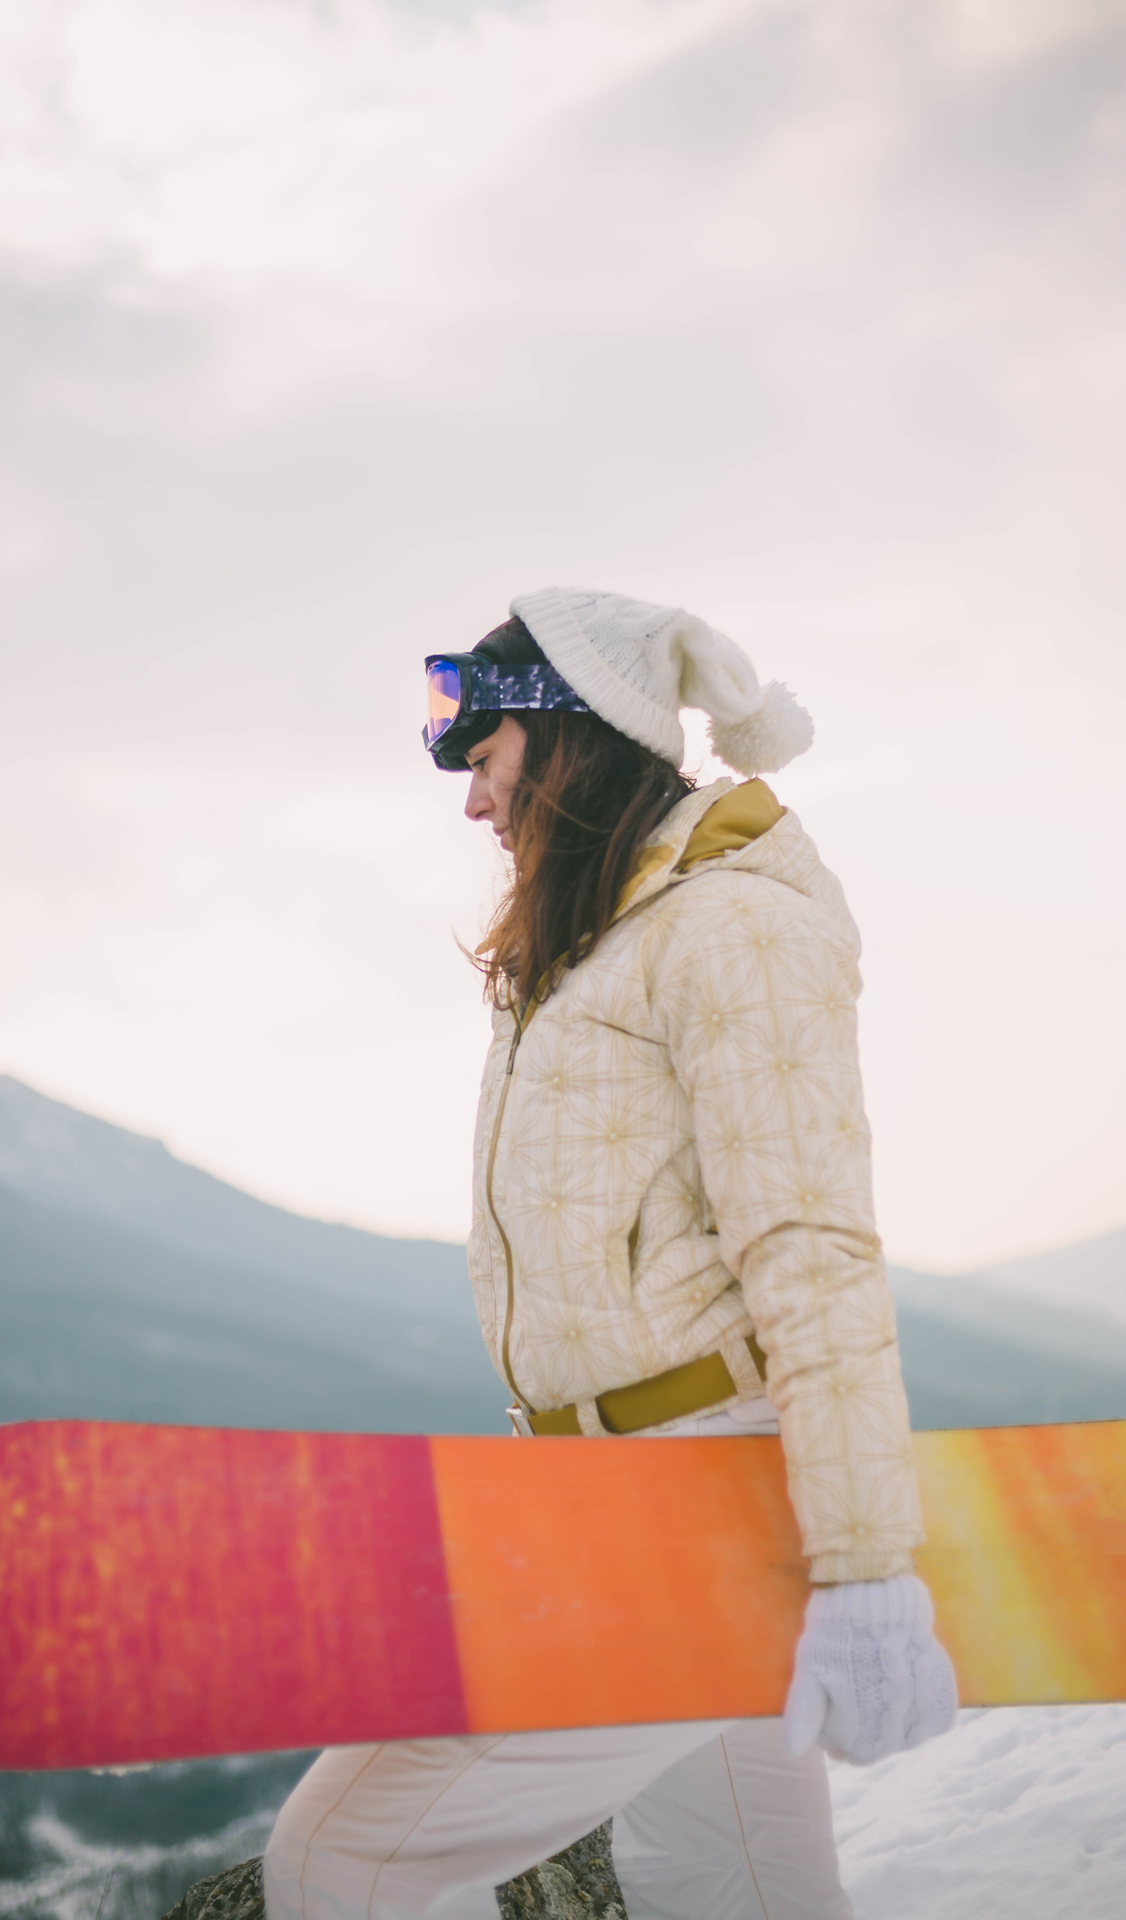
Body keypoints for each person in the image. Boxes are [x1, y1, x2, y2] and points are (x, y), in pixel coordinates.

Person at [264, 590, 957, 1920]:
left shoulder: (735, 929)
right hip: (603, 1486)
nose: (473, 805)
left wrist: (867, 1570)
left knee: (342, 1859)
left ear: (568, 740)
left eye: (487, 762)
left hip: (694, 1499)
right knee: (736, 1885)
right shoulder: (598, 946)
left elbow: (813, 1255)